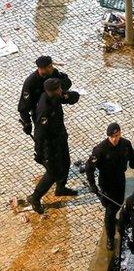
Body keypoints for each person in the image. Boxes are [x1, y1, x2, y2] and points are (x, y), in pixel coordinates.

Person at [86, 123, 134, 250]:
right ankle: (110, 237)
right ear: (108, 136)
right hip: (106, 182)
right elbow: (89, 167)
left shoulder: (125, 144)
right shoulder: (100, 149)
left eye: (117, 135)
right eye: (112, 137)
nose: (115, 139)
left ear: (120, 133)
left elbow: (133, 158)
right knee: (110, 211)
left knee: (117, 204)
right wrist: (92, 185)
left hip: (120, 180)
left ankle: (111, 221)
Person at [27, 78, 79, 214]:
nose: (61, 90)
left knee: (66, 162)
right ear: (52, 91)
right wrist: (39, 154)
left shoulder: (56, 96)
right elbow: (39, 134)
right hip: (49, 146)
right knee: (52, 173)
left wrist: (68, 96)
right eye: (59, 89)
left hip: (60, 138)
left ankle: (60, 188)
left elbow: (74, 98)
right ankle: (35, 197)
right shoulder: (45, 108)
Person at [18, 55, 71, 138]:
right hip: (40, 113)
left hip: (55, 109)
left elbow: (66, 84)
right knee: (45, 137)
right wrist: (27, 123)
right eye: (49, 67)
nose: (52, 68)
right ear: (41, 68)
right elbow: (24, 106)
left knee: (60, 134)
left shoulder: (53, 73)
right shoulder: (31, 82)